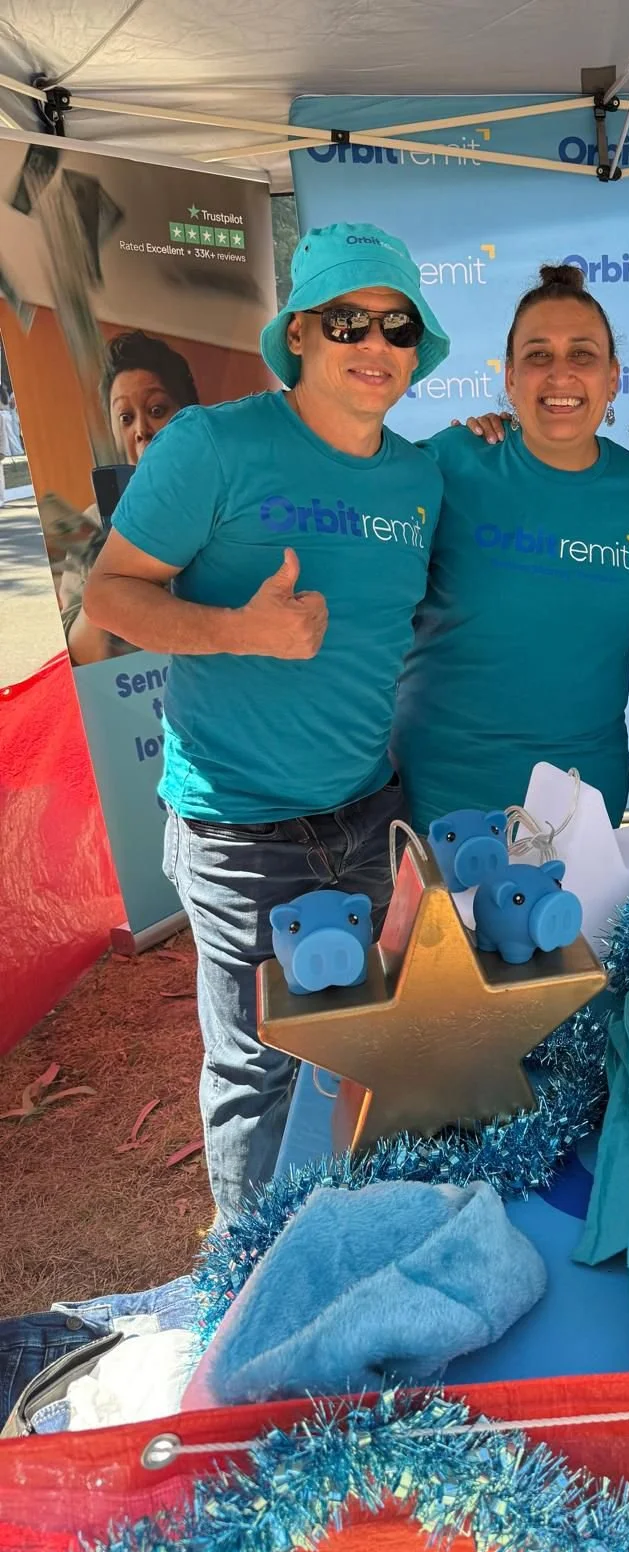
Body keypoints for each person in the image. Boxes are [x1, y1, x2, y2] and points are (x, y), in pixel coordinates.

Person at [82, 223, 450, 1225]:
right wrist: (238, 630)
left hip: (366, 818)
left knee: (352, 1044)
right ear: (299, 334)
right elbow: (108, 597)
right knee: (257, 1070)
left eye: (396, 323)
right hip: (240, 833)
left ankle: (334, 1244)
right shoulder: (213, 444)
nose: (373, 342)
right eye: (347, 320)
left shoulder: (420, 478)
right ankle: (246, 1289)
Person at [392, 263, 629, 831]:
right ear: (510, 377)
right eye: (538, 355)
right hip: (443, 791)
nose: (560, 374)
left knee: (572, 926)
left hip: (581, 797)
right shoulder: (450, 463)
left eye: (583, 355)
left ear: (613, 378)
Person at [59, 331, 202, 664]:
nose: (141, 429)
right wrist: (106, 572)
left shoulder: (226, 506)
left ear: (190, 414)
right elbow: (80, 658)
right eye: (125, 417)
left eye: (156, 409)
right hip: (129, 700)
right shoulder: (91, 524)